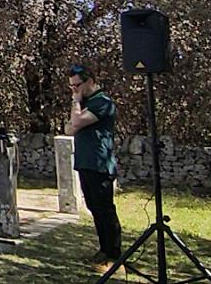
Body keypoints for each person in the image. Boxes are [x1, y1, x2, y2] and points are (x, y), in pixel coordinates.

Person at [65, 64, 123, 272]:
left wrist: (76, 105)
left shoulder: (102, 102)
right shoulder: (85, 103)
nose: (75, 91)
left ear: (90, 81)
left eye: (77, 86)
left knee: (105, 209)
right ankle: (103, 249)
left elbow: (77, 122)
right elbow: (69, 127)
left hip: (99, 163)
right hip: (84, 163)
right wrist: (77, 116)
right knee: (93, 208)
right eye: (71, 87)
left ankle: (115, 254)